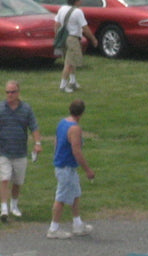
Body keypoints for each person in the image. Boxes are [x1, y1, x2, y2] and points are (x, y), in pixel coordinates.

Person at [0, 80, 42, 222]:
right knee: (4, 178)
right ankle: (4, 207)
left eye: (12, 92)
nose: (10, 94)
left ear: (18, 93)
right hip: (3, 151)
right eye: (7, 92)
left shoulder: (26, 109)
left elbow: (34, 127)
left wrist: (37, 143)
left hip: (20, 152)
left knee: (17, 181)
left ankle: (14, 205)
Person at [47, 100, 95, 239]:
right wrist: (87, 170)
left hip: (65, 166)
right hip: (66, 167)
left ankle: (77, 224)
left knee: (75, 194)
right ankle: (53, 228)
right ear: (82, 113)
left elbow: (56, 141)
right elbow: (77, 151)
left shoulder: (62, 123)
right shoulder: (75, 129)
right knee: (61, 198)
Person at [56, 0, 97, 93]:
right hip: (73, 38)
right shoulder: (78, 12)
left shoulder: (62, 9)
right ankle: (63, 85)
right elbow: (85, 28)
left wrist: (57, 35)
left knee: (71, 60)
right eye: (80, 0)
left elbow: (57, 24)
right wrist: (93, 39)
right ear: (76, 1)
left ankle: (73, 81)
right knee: (69, 63)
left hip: (63, 38)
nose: (81, 1)